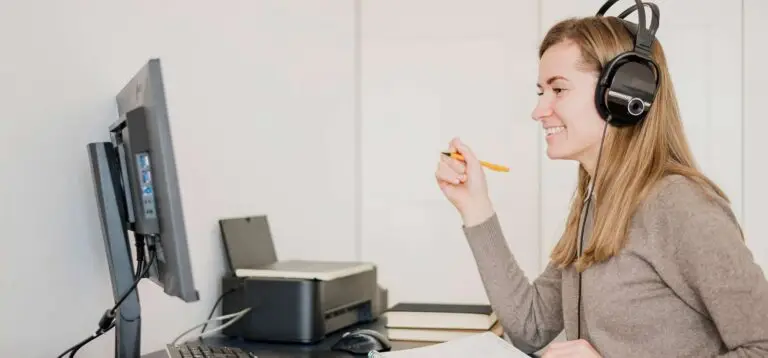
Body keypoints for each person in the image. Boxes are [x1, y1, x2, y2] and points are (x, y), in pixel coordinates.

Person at [435, 13, 768, 358]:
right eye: (541, 91)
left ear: (622, 95)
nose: (538, 110)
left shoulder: (680, 205)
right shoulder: (594, 203)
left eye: (558, 89)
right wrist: (475, 206)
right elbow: (531, 328)